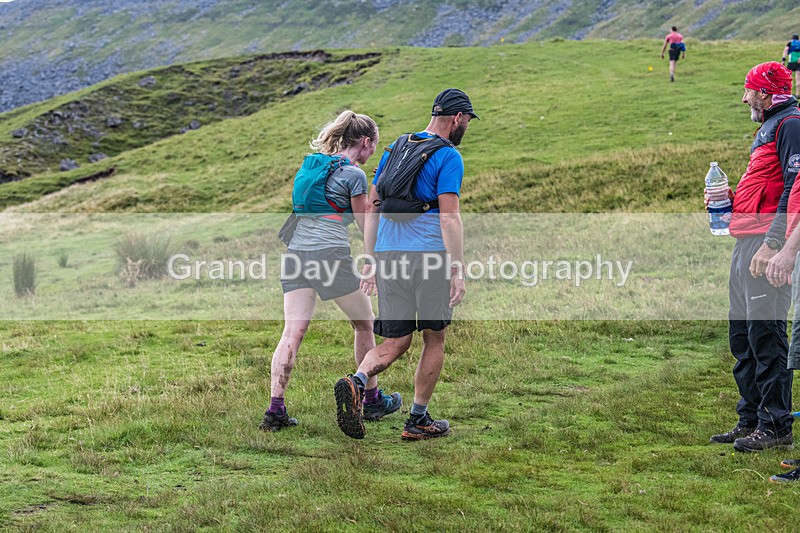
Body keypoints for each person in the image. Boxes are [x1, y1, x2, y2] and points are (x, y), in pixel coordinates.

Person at [333, 88, 478, 441]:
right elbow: (449, 217)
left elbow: (373, 207)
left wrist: (371, 260)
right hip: (429, 259)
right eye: (467, 122)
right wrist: (457, 269)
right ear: (457, 118)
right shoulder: (449, 156)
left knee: (396, 341)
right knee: (434, 337)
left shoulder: (396, 147)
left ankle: (357, 382)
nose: (466, 129)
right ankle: (417, 420)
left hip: (389, 255)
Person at [258, 110, 402, 432]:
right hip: (329, 257)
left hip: (295, 255)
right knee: (364, 324)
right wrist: (372, 264)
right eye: (372, 148)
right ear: (365, 142)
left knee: (291, 333)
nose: (370, 156)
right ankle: (372, 399)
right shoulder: (354, 175)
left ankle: (275, 411)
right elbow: (365, 225)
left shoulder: (312, 166)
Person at [708, 62, 800, 453]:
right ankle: (749, 418)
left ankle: (776, 424)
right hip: (745, 240)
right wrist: (728, 203)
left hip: (766, 244)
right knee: (742, 336)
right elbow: (765, 186)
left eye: (749, 90)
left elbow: (796, 185)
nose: (745, 97)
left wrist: (775, 243)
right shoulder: (769, 125)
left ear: (765, 91)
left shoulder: (791, 124)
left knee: (766, 336)